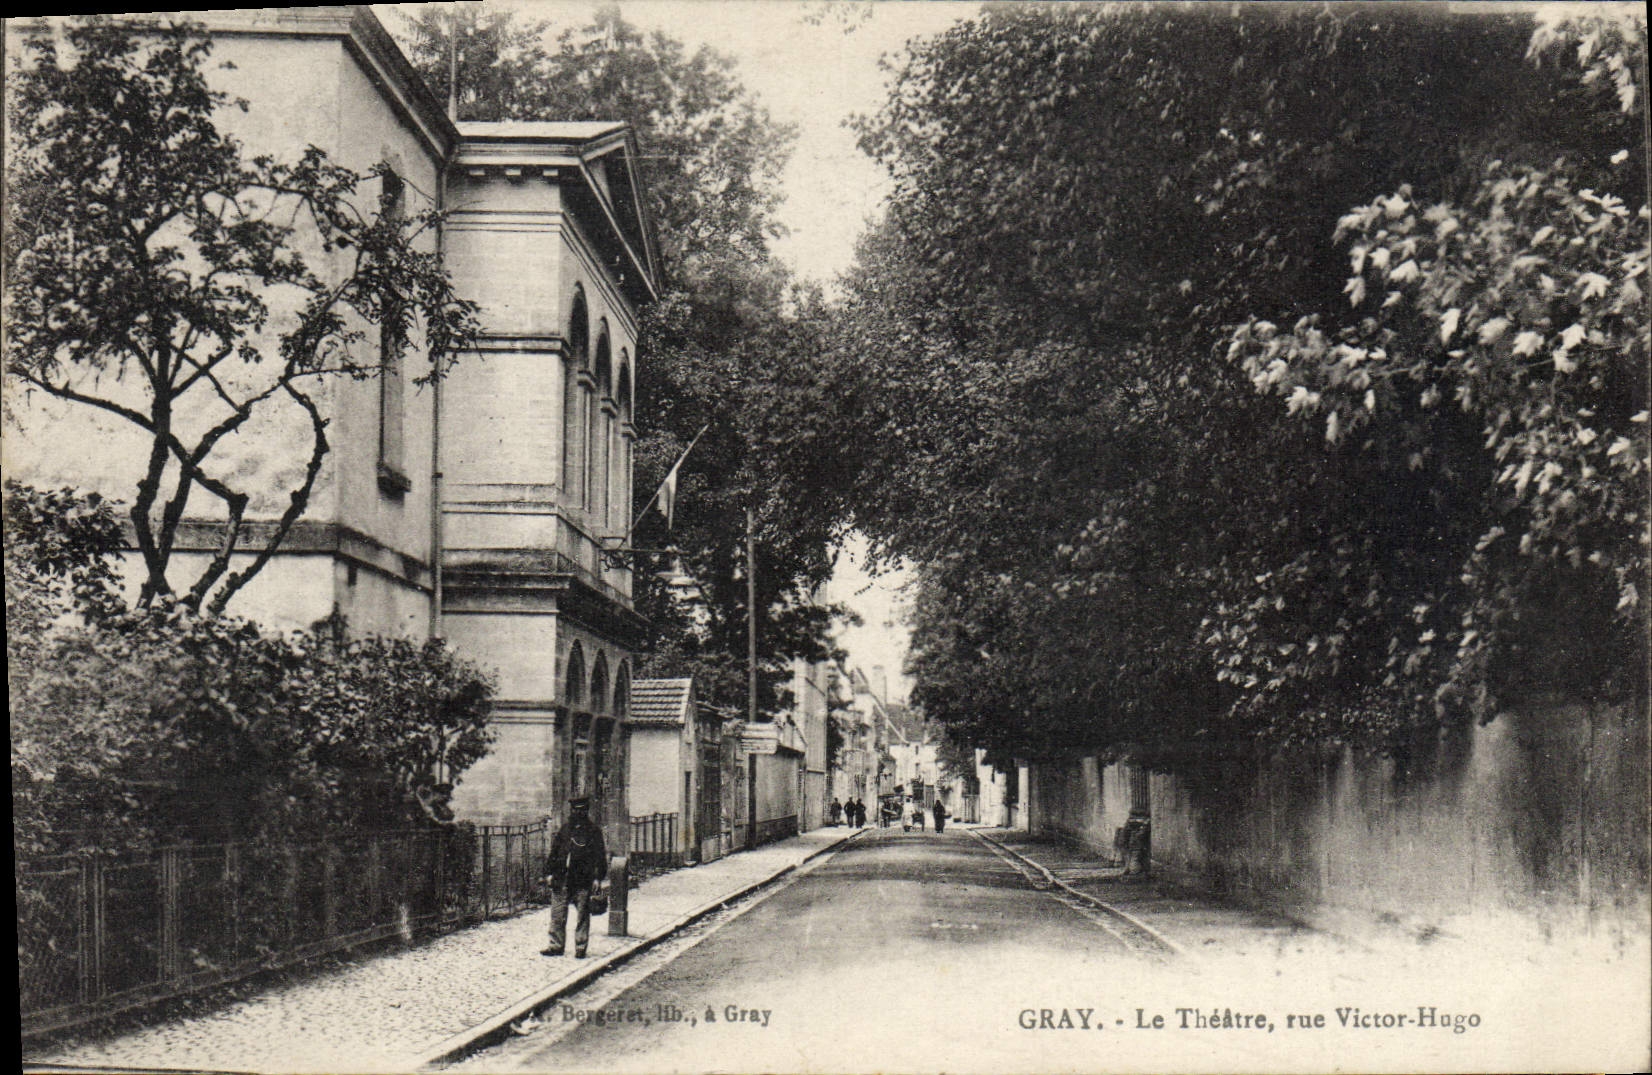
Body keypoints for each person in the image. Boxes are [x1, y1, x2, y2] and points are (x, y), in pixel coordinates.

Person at [542, 797, 607, 958]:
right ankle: (556, 946)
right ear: (572, 811)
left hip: (582, 879)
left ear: (586, 811)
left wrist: (598, 878)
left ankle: (580, 947)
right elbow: (554, 853)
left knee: (582, 916)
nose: (579, 813)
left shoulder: (593, 832)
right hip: (561, 878)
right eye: (576, 810)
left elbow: (600, 857)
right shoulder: (565, 830)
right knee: (557, 915)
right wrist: (549, 873)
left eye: (582, 810)